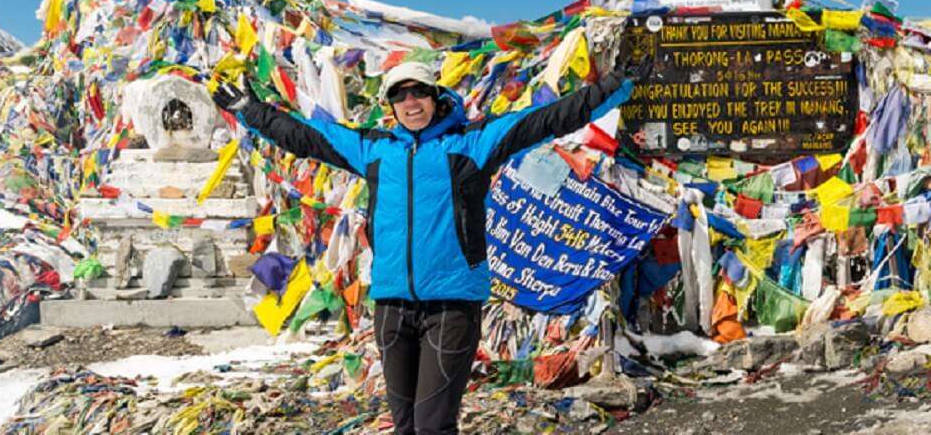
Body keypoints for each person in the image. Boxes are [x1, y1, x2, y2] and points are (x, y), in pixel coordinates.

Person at [213, 60, 634, 435]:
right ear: (390, 105)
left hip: (451, 307)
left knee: (433, 424)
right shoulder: (374, 150)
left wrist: (614, 86)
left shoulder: (471, 144)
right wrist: (250, 112)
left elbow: (549, 118)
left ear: (436, 98)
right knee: (405, 425)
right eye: (400, 94)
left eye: (419, 92)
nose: (411, 102)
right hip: (392, 307)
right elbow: (303, 136)